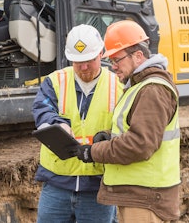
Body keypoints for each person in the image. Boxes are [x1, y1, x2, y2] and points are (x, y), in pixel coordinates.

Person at [76, 20, 181, 222]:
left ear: (138, 55)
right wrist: (108, 137)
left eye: (117, 60)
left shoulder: (152, 89)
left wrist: (94, 152)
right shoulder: (140, 86)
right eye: (111, 61)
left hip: (146, 197)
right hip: (140, 195)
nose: (113, 67)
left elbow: (140, 144)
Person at [32, 24, 123, 223]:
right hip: (57, 183)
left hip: (98, 186)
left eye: (89, 60)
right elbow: (42, 109)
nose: (83, 67)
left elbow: (128, 126)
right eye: (77, 61)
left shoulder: (118, 85)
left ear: (101, 54)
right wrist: (56, 124)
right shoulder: (55, 81)